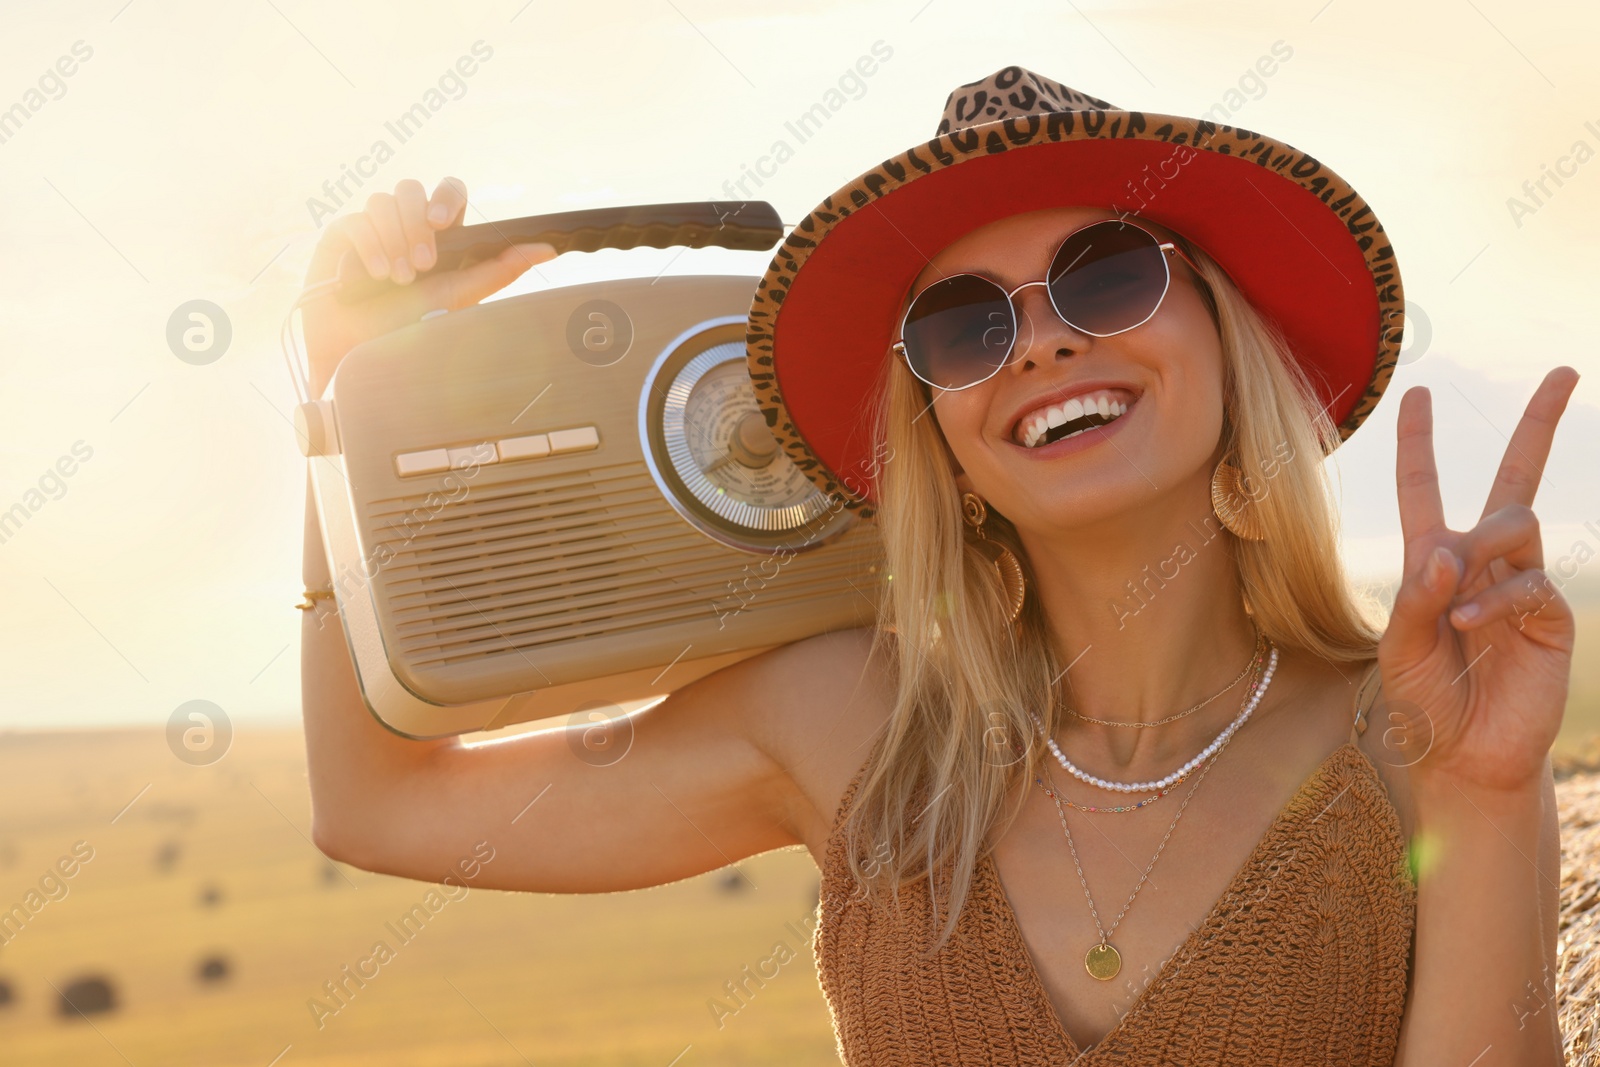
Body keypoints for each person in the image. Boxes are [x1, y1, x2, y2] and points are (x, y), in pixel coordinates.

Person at [296, 66, 1578, 1065]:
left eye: (1106, 274)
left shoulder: (1420, 741)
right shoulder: (846, 719)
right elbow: (378, 804)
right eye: (962, 324)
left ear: (1227, 344)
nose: (1036, 343)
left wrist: (1480, 790)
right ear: (941, 446)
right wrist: (343, 397)